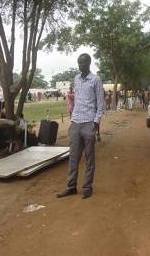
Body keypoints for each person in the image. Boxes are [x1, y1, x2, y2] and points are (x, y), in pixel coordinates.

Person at [57, 53, 104, 199]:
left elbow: (101, 104)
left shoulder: (96, 80)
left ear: (89, 63)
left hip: (89, 122)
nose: (80, 65)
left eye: (83, 63)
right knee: (73, 157)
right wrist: (72, 120)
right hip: (76, 122)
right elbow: (77, 100)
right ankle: (71, 186)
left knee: (89, 157)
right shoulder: (76, 79)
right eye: (79, 63)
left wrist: (95, 123)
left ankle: (87, 186)